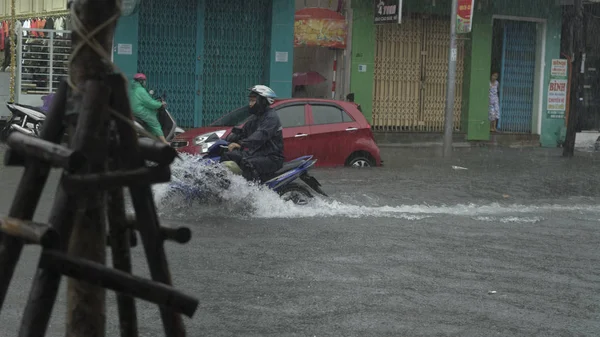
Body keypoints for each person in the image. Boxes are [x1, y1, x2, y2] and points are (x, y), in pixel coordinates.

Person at [220, 85, 284, 181]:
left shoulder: (271, 117)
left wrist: (240, 143)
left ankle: (251, 193)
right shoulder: (256, 117)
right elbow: (244, 131)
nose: (250, 104)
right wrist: (230, 138)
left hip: (271, 157)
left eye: (253, 101)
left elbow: (260, 136)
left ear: (262, 101)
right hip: (257, 153)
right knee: (229, 155)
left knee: (246, 163)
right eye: (250, 100)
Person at [129, 73, 169, 144]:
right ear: (141, 81)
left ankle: (151, 138)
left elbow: (146, 101)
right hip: (140, 110)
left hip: (133, 110)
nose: (145, 83)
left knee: (149, 124)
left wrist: (156, 102)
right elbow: (149, 103)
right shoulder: (140, 90)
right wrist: (160, 104)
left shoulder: (132, 89)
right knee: (155, 123)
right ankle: (164, 142)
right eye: (144, 81)